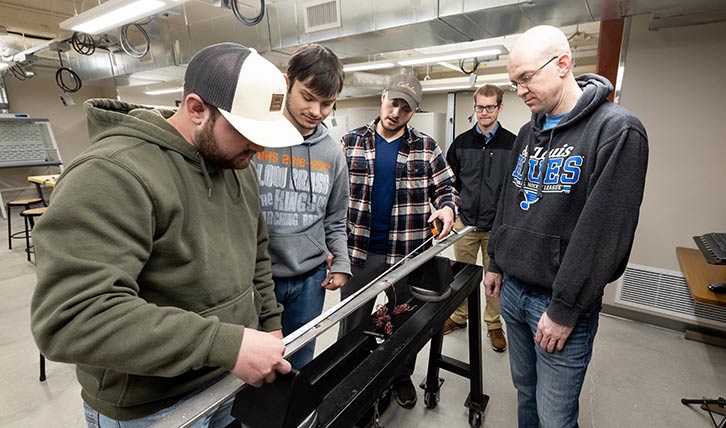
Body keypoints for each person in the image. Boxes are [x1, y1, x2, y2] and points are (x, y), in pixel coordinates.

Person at [30, 43, 303, 427]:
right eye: (246, 132)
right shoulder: (112, 174)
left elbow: (255, 251)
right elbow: (72, 317)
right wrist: (226, 342)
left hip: (225, 378)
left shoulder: (236, 163)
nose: (257, 147)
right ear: (196, 108)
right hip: (152, 407)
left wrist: (270, 321)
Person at [483, 25, 648, 428]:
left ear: (562, 64)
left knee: (554, 415)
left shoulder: (617, 130)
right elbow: (509, 201)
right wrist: (495, 262)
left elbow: (604, 233)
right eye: (513, 82)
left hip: (556, 305)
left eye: (526, 78)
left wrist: (566, 307)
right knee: (525, 393)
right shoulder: (527, 132)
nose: (520, 91)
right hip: (513, 292)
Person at [339, 74, 460, 409]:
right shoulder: (350, 142)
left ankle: (400, 375)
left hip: (407, 255)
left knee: (404, 323)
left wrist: (448, 209)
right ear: (383, 97)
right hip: (358, 254)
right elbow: (332, 198)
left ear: (414, 112)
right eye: (393, 102)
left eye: (405, 108)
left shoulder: (425, 146)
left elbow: (447, 188)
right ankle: (349, 379)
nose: (396, 112)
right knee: (352, 326)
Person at [254, 43, 351, 371]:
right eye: (308, 97)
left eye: (327, 103)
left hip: (310, 280)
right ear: (286, 83)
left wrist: (341, 261)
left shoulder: (333, 153)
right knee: (256, 368)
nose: (316, 110)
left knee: (298, 362)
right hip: (257, 279)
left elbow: (336, 217)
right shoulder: (256, 138)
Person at [443, 83, 516, 353]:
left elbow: (515, 187)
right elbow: (448, 184)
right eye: (479, 107)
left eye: (490, 107)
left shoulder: (513, 143)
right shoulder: (461, 143)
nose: (484, 112)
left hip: (497, 227)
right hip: (465, 225)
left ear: (499, 107)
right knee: (461, 276)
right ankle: (459, 316)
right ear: (474, 108)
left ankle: (493, 324)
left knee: (493, 279)